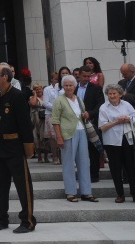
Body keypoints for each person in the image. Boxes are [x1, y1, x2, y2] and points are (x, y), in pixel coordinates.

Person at [0, 64, 36, 233]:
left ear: (5, 77)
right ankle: (1, 219)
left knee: (23, 187)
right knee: (0, 187)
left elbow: (25, 124)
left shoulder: (16, 96)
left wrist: (28, 147)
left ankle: (28, 221)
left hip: (15, 149)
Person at [52, 75, 98, 203]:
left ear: (75, 86)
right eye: (66, 85)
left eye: (70, 85)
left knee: (84, 162)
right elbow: (55, 120)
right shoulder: (59, 100)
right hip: (67, 134)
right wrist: (59, 137)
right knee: (68, 164)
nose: (68, 87)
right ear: (63, 86)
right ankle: (70, 192)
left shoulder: (78, 99)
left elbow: (82, 115)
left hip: (82, 131)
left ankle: (86, 192)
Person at [99, 84, 135, 204]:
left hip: (127, 139)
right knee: (115, 168)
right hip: (111, 141)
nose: (112, 96)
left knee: (132, 168)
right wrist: (117, 122)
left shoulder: (127, 104)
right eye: (110, 94)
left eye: (114, 93)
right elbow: (103, 127)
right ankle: (120, 194)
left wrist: (128, 119)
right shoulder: (104, 108)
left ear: (120, 94)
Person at [77, 65, 105, 182]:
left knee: (93, 150)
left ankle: (94, 175)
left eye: (89, 76)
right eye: (84, 76)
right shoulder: (73, 89)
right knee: (80, 150)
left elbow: (100, 105)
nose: (86, 79)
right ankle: (81, 173)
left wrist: (90, 113)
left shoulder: (96, 89)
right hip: (77, 124)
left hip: (91, 123)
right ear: (79, 75)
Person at [44, 67, 70, 165]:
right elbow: (46, 103)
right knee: (53, 137)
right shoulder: (51, 88)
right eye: (63, 73)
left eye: (66, 73)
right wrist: (57, 108)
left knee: (62, 135)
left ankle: (63, 156)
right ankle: (55, 156)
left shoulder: (69, 85)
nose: (65, 75)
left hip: (64, 114)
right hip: (51, 113)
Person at [29, 83, 49, 163]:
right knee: (37, 139)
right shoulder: (32, 98)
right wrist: (35, 95)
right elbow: (33, 104)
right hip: (35, 120)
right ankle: (40, 157)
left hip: (44, 119)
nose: (38, 90)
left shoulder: (46, 97)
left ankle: (46, 157)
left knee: (46, 138)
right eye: (36, 89)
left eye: (39, 88)